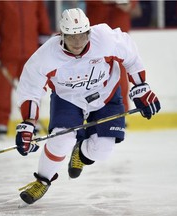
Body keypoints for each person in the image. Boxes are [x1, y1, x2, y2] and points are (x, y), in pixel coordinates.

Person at [15, 8, 160, 205]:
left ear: (89, 32)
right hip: (69, 99)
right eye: (72, 36)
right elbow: (31, 89)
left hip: (106, 94)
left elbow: (131, 56)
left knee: (103, 150)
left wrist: (141, 87)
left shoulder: (105, 38)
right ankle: (42, 180)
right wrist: (28, 123)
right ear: (62, 35)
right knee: (61, 139)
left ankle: (81, 152)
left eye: (82, 35)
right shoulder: (46, 56)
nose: (77, 42)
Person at [0, 1, 51, 139]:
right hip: (6, 51)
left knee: (32, 88)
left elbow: (41, 16)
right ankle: (1, 123)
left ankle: (31, 120)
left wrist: (44, 38)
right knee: (2, 89)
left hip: (31, 54)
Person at [86, 0, 140, 114]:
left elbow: (131, 3)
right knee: (93, 71)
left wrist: (130, 4)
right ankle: (91, 109)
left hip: (119, 27)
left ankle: (122, 111)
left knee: (120, 72)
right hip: (95, 31)